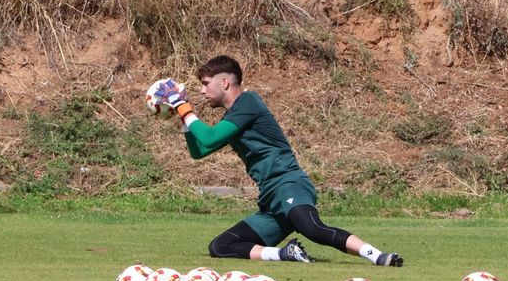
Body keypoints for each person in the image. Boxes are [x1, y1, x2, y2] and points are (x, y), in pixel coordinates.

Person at [152, 55, 403, 267]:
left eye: (206, 84)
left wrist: (182, 105)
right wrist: (182, 117)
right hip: (271, 200)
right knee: (221, 245)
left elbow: (209, 135)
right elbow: (200, 150)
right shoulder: (234, 117)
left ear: (225, 82)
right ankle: (285, 253)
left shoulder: (249, 102)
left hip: (288, 183)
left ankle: (378, 256)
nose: (202, 90)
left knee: (312, 227)